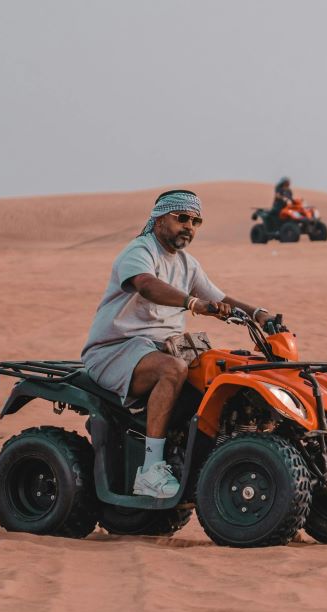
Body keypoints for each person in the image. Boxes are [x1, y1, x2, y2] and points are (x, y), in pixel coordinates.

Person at [80, 190, 271, 499]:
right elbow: (147, 286)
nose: (189, 227)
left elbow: (220, 299)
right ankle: (150, 471)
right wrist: (193, 303)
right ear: (159, 220)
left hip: (160, 348)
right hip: (115, 349)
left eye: (196, 221)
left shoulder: (187, 263)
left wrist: (260, 314)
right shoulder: (140, 251)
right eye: (181, 218)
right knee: (173, 370)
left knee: (220, 370)